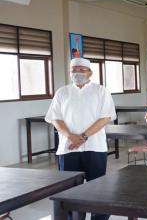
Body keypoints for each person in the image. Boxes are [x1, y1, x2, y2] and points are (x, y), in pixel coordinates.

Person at [45, 57, 116, 220]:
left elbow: (105, 118)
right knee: (69, 191)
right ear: (70, 73)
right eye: (74, 70)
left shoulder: (100, 90)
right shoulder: (62, 92)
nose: (77, 73)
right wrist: (71, 136)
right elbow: (55, 118)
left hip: (95, 147)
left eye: (81, 70)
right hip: (67, 148)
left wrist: (83, 137)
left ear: (90, 72)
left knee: (98, 190)